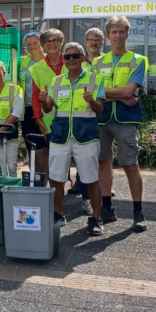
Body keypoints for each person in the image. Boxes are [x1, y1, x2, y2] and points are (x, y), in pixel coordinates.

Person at [92, 16, 148, 232]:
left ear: (127, 34)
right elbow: (94, 92)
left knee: (130, 164)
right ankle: (107, 209)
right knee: (103, 163)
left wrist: (117, 94)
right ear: (107, 36)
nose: (118, 36)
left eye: (121, 32)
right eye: (114, 32)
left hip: (126, 118)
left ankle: (138, 212)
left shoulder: (138, 59)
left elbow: (128, 91)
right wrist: (122, 95)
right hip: (102, 117)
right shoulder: (97, 62)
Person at [43, 42, 105, 235]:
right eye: (67, 57)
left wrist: (91, 101)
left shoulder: (95, 79)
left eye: (75, 56)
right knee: (56, 177)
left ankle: (96, 218)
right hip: (60, 136)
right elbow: (48, 109)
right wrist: (44, 100)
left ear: (82, 57)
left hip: (85, 136)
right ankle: (58, 213)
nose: (70, 60)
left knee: (91, 179)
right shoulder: (56, 81)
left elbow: (100, 109)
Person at [70, 27, 107, 214]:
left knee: (100, 157)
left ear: (102, 43)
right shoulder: (77, 61)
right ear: (85, 43)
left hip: (102, 112)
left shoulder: (106, 61)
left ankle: (100, 189)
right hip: (79, 119)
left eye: (97, 40)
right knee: (81, 156)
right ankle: (80, 183)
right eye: (91, 40)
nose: (94, 43)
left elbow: (109, 88)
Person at [31, 29, 67, 174]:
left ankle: (79, 187)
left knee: (77, 156)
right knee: (55, 155)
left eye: (55, 40)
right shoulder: (37, 68)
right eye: (48, 41)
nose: (52, 44)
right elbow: (35, 96)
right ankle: (57, 189)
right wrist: (38, 119)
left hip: (74, 116)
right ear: (43, 46)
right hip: (50, 119)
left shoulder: (73, 60)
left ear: (61, 42)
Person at [19, 31, 44, 170]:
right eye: (29, 44)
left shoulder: (49, 60)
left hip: (47, 109)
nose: (32, 46)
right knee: (31, 144)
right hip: (28, 109)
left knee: (46, 145)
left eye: (35, 42)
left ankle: (48, 178)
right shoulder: (23, 62)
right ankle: (34, 176)